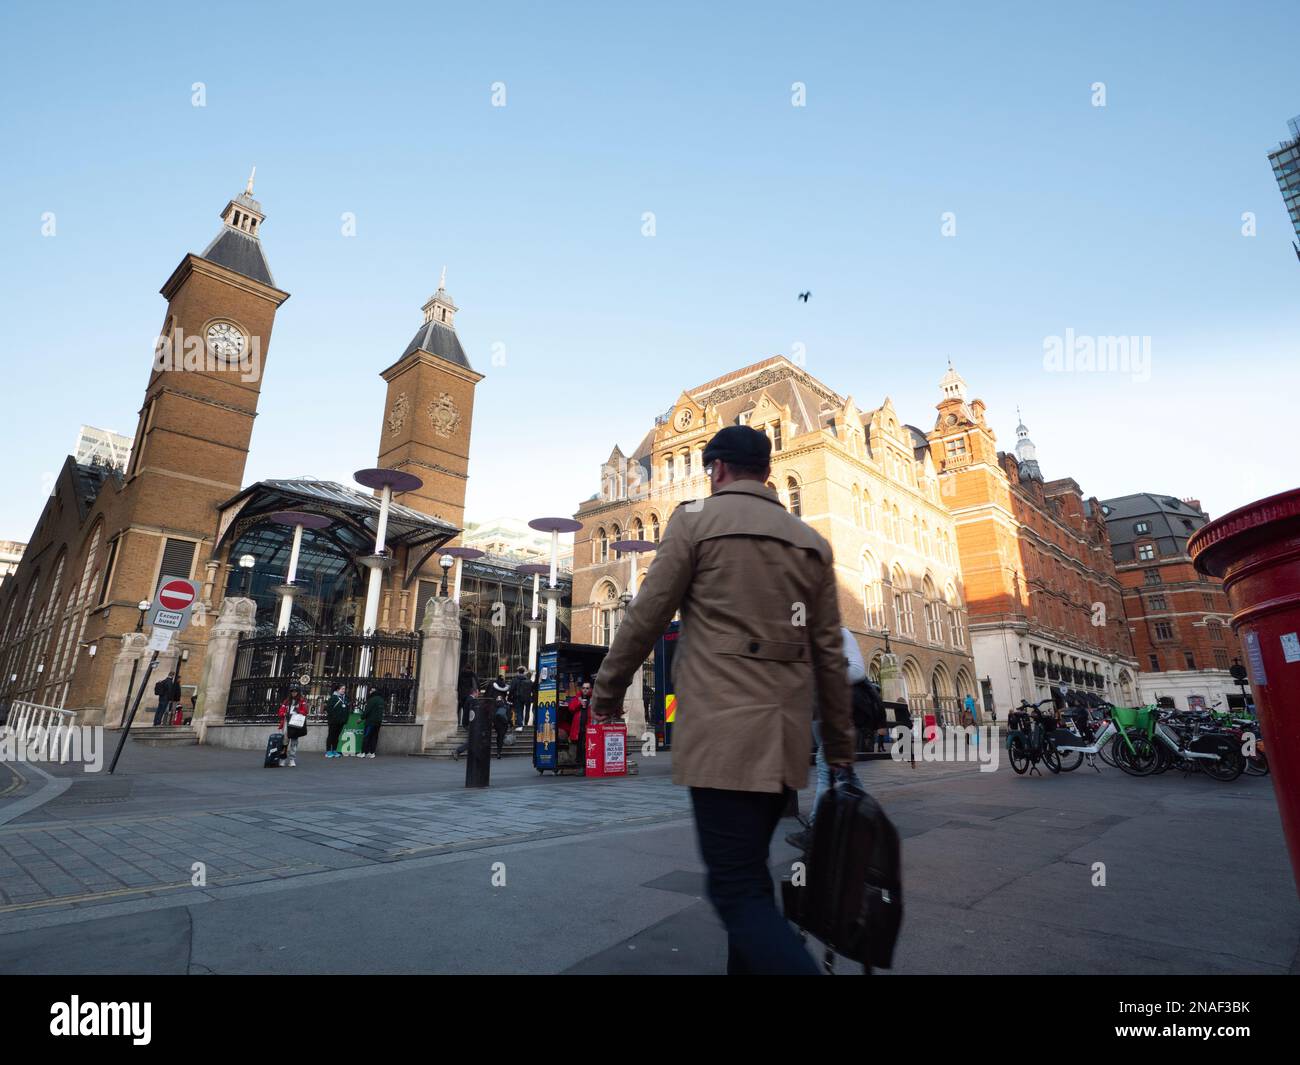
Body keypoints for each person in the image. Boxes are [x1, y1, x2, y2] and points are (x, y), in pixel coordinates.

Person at [592, 425, 853, 976]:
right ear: (766, 471)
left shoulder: (694, 522)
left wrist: (608, 689)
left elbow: (647, 614)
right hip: (783, 747)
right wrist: (842, 754)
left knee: (735, 890)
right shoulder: (810, 543)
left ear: (717, 470)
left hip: (721, 740)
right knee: (751, 877)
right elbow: (830, 658)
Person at [786, 627, 865, 851]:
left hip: (839, 714)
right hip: (817, 715)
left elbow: (858, 670)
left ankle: (816, 830)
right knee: (845, 773)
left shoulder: (840, 634)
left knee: (825, 767)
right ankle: (869, 820)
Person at [277, 686, 308, 767]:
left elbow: (305, 711)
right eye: (292, 691)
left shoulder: (302, 701)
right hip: (287, 723)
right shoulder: (286, 701)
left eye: (295, 691)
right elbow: (280, 712)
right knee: (285, 741)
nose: (293, 693)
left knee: (294, 742)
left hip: (295, 723)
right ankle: (283, 759)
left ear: (298, 692)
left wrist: (297, 711)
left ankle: (292, 759)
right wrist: (284, 714)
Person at [452, 686, 479, 761]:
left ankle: (471, 755)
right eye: (478, 692)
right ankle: (457, 751)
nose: (478, 694)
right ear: (474, 692)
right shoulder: (471, 700)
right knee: (472, 740)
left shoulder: (469, 699)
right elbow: (472, 712)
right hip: (469, 723)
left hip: (468, 723)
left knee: (473, 740)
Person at [324, 682, 349, 758]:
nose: (344, 690)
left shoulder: (345, 698)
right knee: (331, 736)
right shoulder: (333, 698)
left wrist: (345, 719)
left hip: (341, 721)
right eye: (342, 689)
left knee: (337, 736)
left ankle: (334, 750)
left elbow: (347, 709)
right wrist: (334, 717)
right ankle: (328, 751)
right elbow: (329, 709)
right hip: (333, 721)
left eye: (344, 689)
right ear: (338, 690)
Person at [361, 687, 386, 758]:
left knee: (367, 736)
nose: (370, 691)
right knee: (374, 737)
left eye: (372, 690)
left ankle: (363, 752)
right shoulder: (381, 700)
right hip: (378, 722)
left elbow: (367, 711)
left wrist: (361, 718)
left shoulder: (371, 700)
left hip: (370, 722)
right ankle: (372, 752)